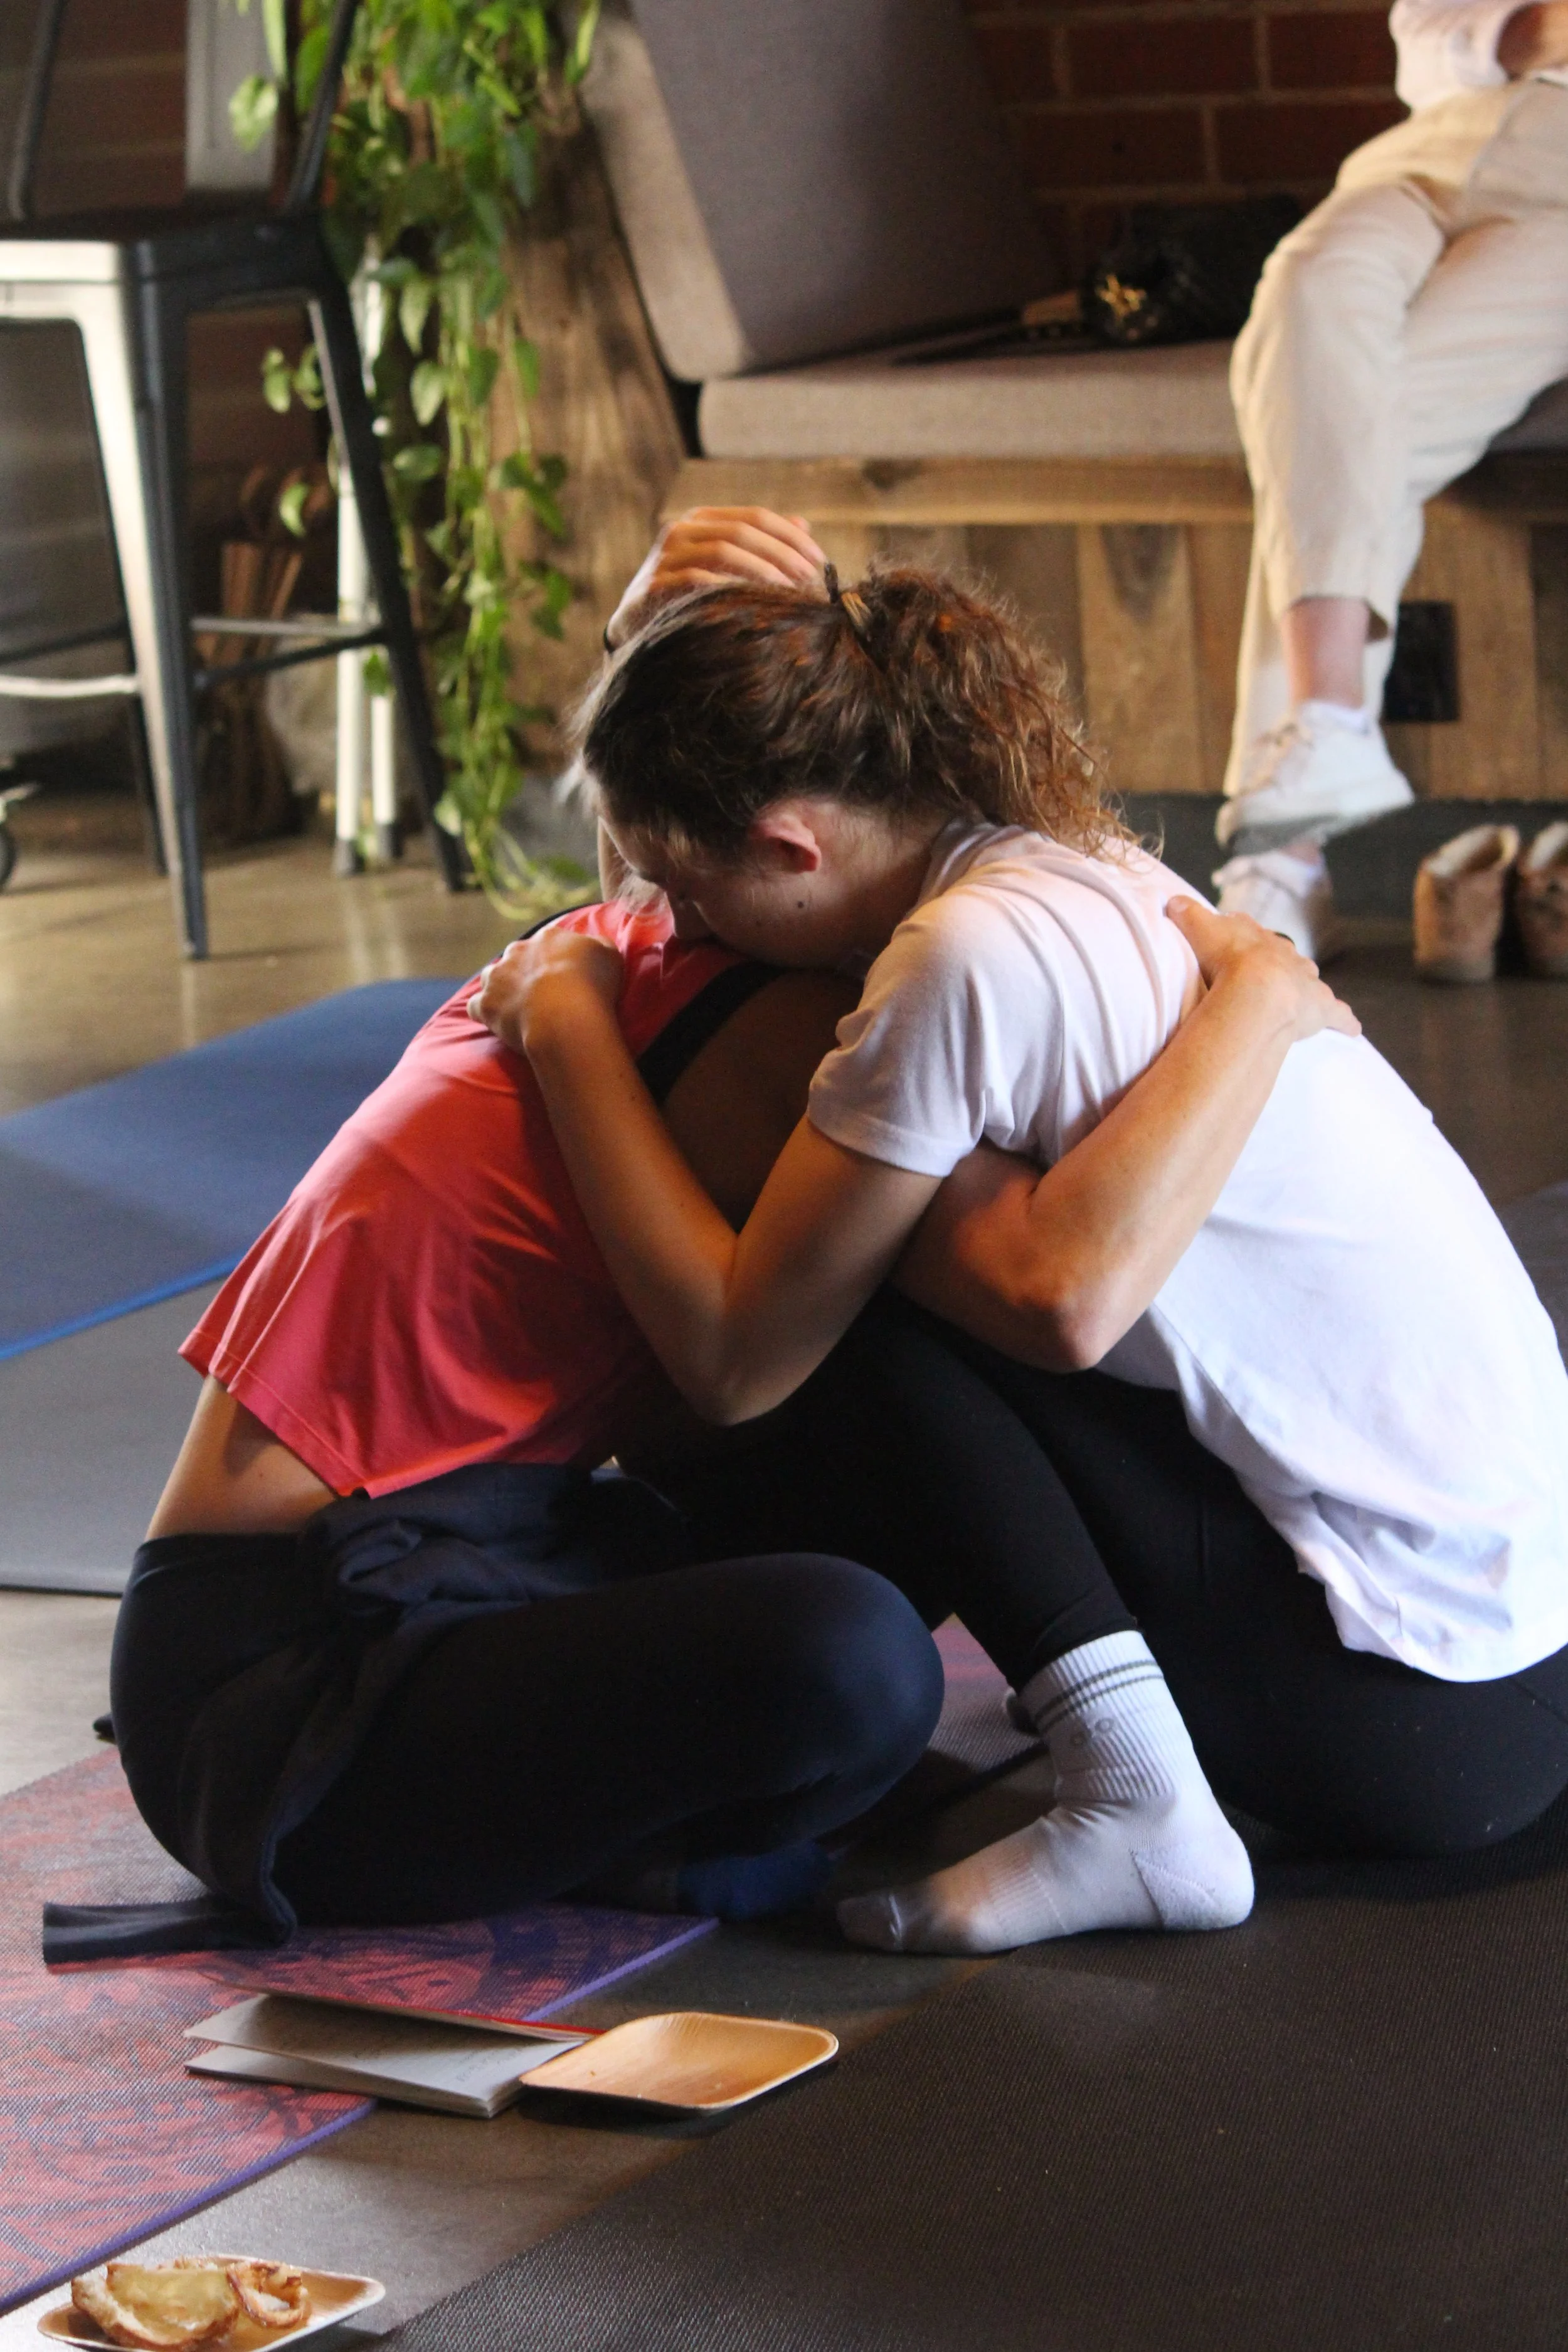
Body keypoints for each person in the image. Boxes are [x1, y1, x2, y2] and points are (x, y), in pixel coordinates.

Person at [105, 511, 1340, 1954]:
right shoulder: (734, 997)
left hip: (507, 1548)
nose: (651, 898)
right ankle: (1076, 1775)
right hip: (273, 1676)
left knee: (874, 1386)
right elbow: (1034, 1293)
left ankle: (1011, 1766)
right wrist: (1258, 998)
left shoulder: (760, 959)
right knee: (858, 1646)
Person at [470, 551, 1568, 1960]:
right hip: (1513, 1652)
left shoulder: (960, 957)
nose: (675, 926)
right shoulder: (1058, 856)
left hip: (1410, 1719)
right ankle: (762, 1740)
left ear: (795, 846)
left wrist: (567, 1029)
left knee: (847, 1300)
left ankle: (1134, 1797)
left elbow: (740, 1360)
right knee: (893, 1240)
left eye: (685, 886)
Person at [1212, 0, 1568, 955]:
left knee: (1346, 421)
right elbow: (1424, 39)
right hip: (1424, 152)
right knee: (1306, 286)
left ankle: (1280, 863)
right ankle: (1330, 732)